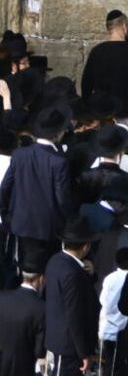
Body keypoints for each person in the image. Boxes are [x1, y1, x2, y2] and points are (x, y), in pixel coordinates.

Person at [0, 104, 75, 263]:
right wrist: (71, 220)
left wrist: (5, 213)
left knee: (24, 266)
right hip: (48, 227)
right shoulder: (58, 161)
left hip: (21, 222)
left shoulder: (20, 154)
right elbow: (62, 198)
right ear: (58, 133)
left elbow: (5, 186)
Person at [44, 217, 100, 376]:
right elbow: (74, 315)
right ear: (85, 246)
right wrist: (83, 352)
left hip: (65, 341)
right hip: (69, 345)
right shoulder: (71, 272)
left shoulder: (57, 261)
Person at [82, 9, 128, 119]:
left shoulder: (97, 51)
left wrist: (89, 111)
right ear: (124, 26)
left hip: (101, 113)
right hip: (125, 112)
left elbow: (86, 84)